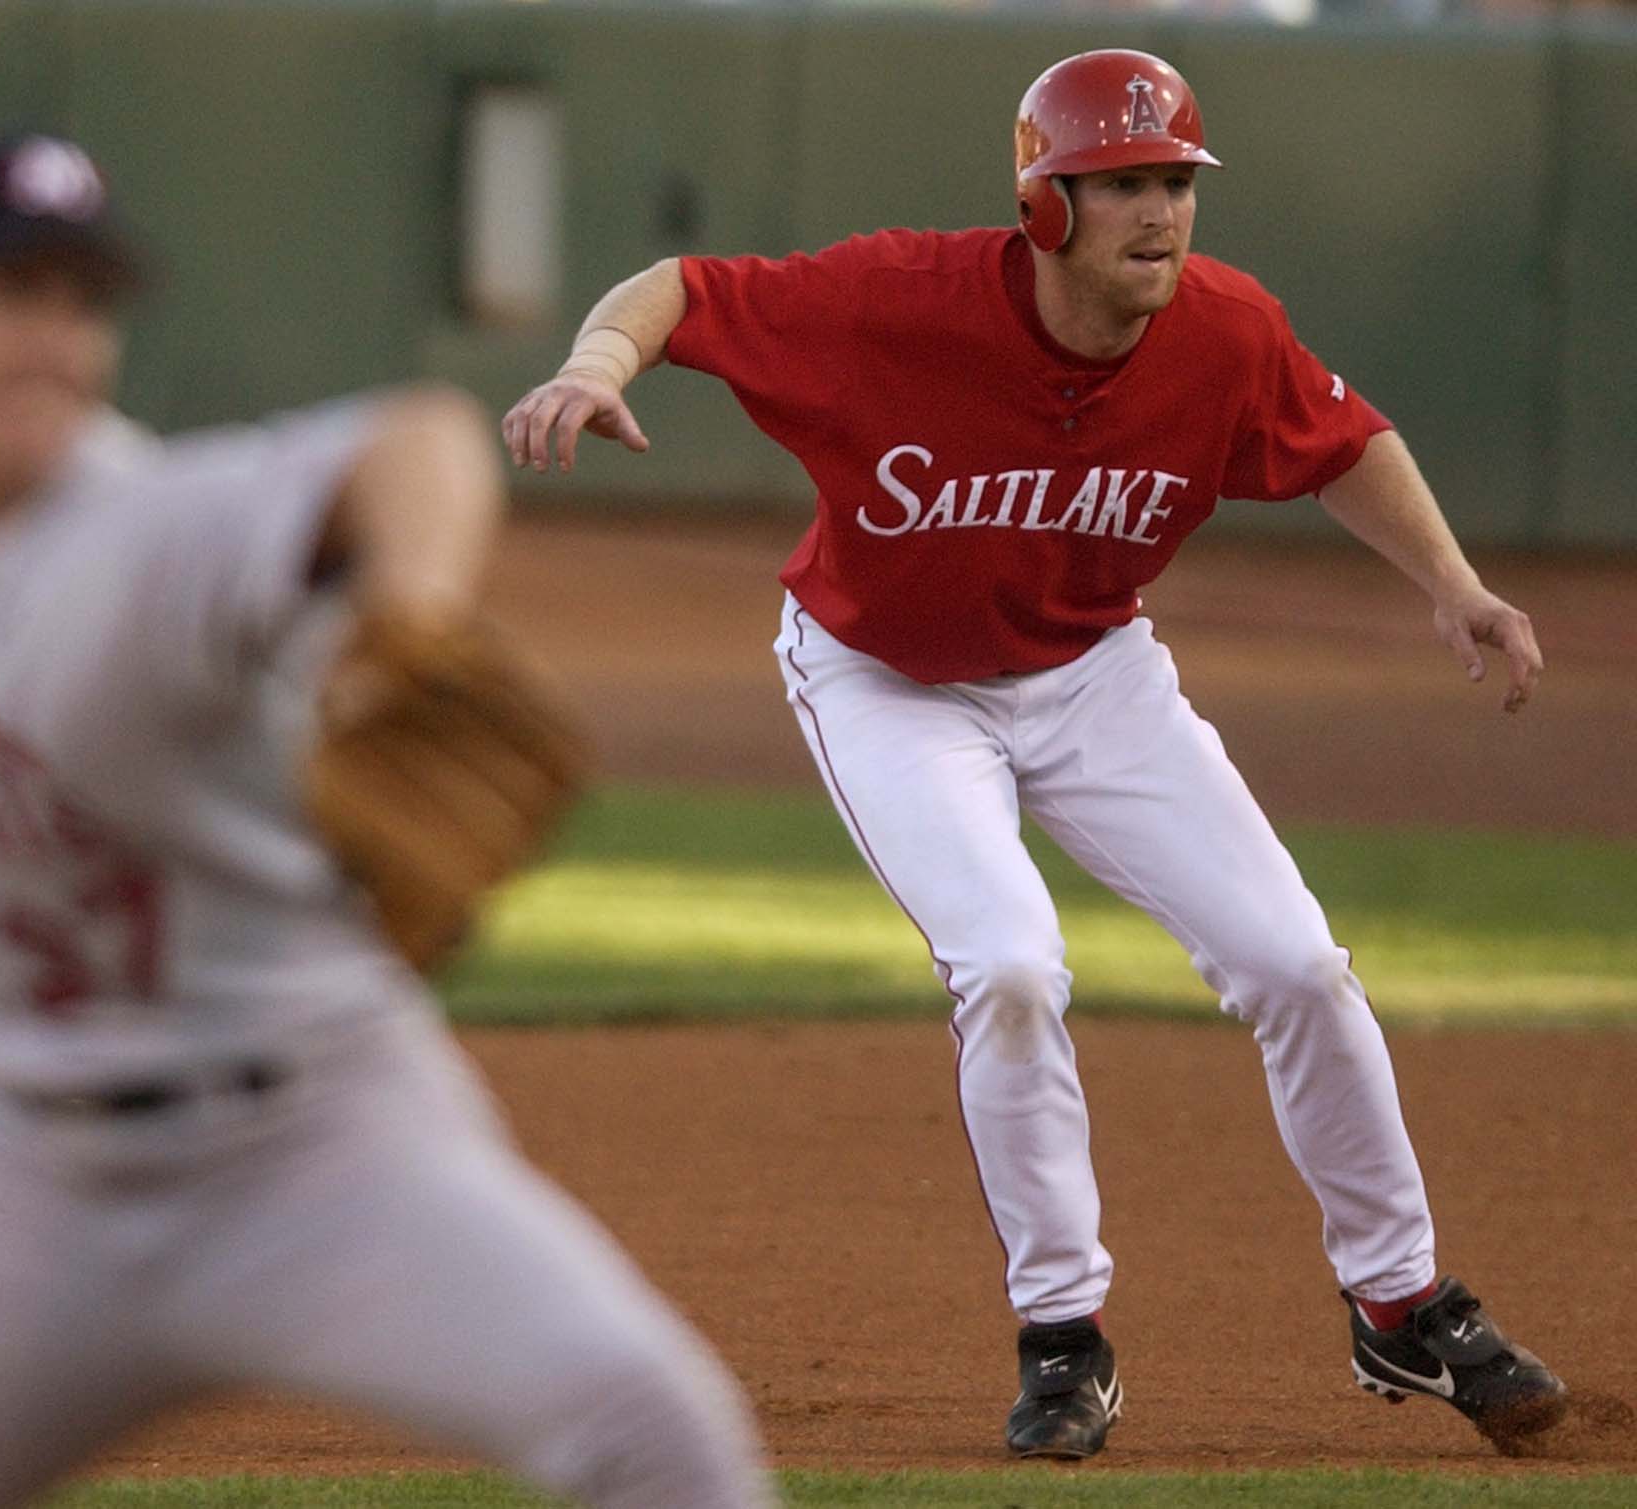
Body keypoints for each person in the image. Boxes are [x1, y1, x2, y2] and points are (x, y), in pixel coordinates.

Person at [503, 48, 1565, 1461]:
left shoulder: (1227, 330)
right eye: (1119, 184)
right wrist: (591, 362)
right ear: (1044, 207)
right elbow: (684, 292)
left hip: (1092, 673)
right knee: (1009, 965)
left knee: (1299, 962)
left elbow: (1345, 440)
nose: (1159, 212)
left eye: (1174, 181)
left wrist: (1451, 580)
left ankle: (1404, 1300)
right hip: (888, 680)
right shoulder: (898, 302)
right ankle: (1066, 1339)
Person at [0, 135, 775, 1509]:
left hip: (311, 1142)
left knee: (650, 1424)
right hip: (36, 1175)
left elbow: (419, 443)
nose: (54, 337)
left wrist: (411, 615)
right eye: (10, 293)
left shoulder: (144, 532)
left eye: (82, 302)